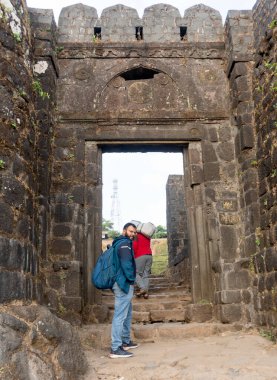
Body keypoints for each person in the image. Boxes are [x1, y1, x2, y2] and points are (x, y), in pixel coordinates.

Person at [109, 222, 139, 359]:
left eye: (134, 232)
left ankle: (125, 341)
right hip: (123, 283)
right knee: (120, 315)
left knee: (127, 313)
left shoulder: (120, 243)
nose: (133, 234)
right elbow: (126, 264)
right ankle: (116, 348)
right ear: (124, 230)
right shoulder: (124, 244)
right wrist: (132, 279)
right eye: (131, 231)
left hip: (122, 282)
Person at [133, 231, 153, 299]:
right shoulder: (147, 235)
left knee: (135, 273)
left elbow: (135, 246)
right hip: (149, 255)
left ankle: (142, 288)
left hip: (140, 255)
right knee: (146, 275)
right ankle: (146, 293)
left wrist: (133, 255)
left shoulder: (136, 235)